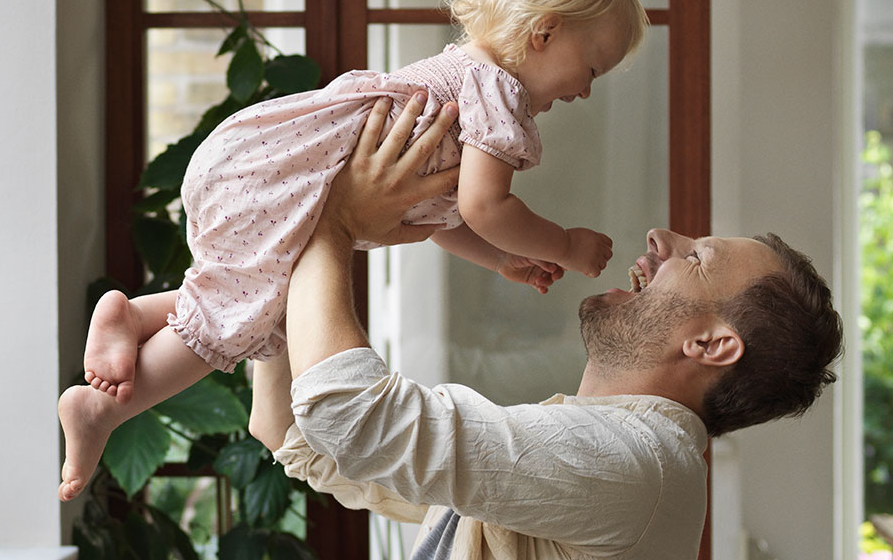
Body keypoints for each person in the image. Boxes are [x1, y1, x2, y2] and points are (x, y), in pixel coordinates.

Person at [60, 0, 650, 501]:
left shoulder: (466, 77)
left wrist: (501, 257)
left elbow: (445, 221)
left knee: (253, 300)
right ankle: (104, 409)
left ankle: (135, 314)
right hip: (280, 174)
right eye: (593, 69)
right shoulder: (497, 93)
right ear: (545, 31)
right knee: (234, 321)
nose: (587, 92)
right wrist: (567, 244)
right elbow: (484, 206)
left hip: (261, 160)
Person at [246, 95, 846, 557]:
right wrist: (285, 248)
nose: (660, 237)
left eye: (694, 259)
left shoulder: (635, 464)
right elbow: (298, 436)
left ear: (711, 344)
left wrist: (332, 217)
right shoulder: (587, 455)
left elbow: (353, 420)